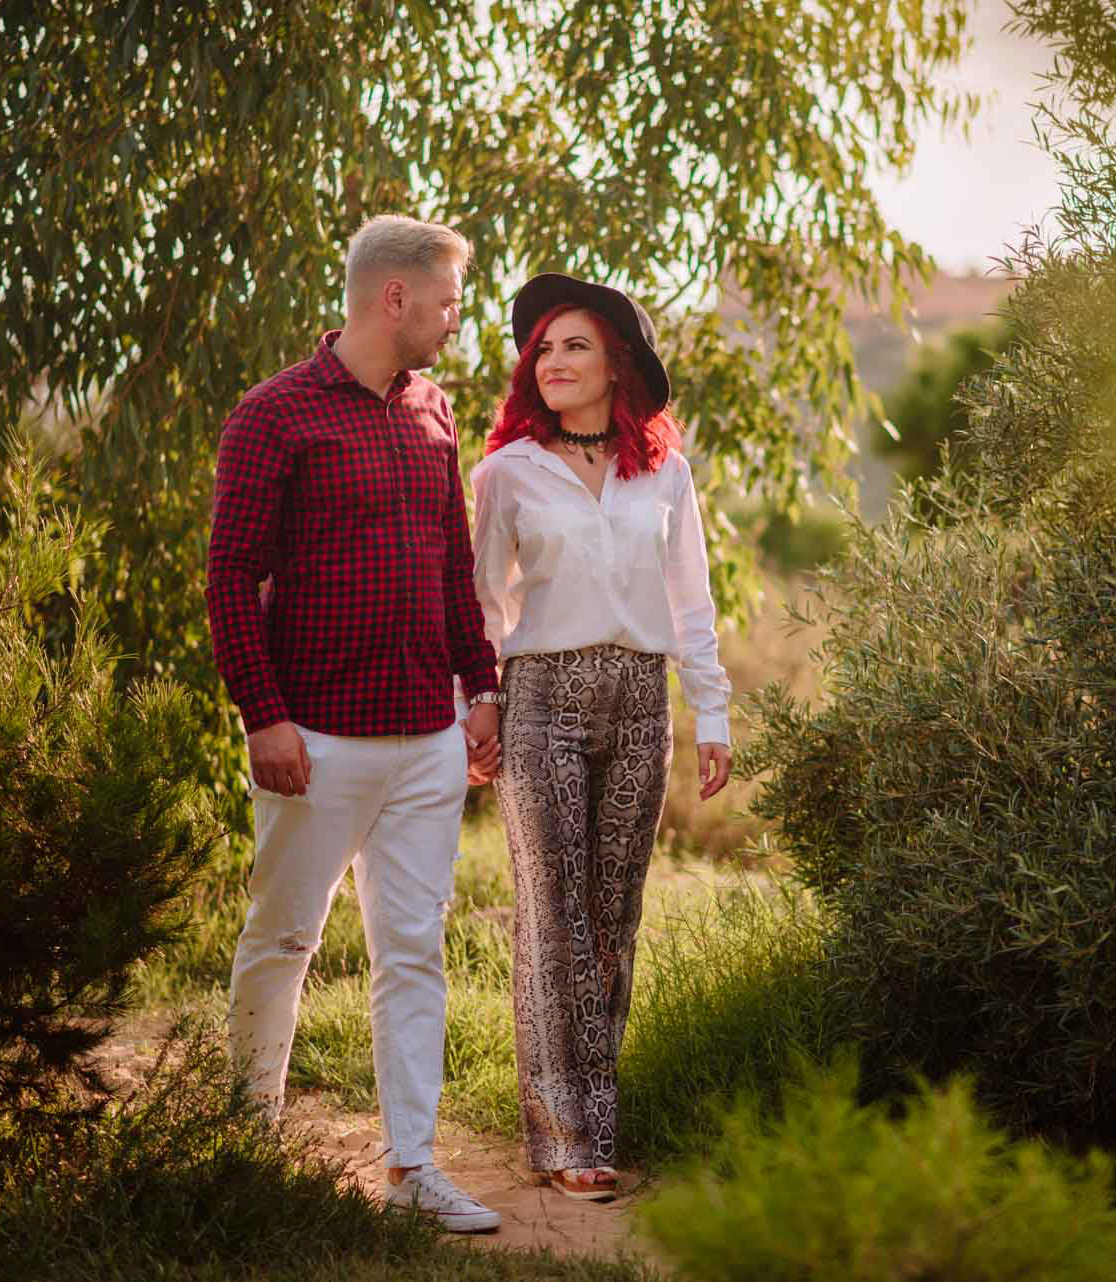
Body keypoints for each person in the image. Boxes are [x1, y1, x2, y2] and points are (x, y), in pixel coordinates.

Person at [206, 214, 506, 1233]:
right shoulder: (274, 414)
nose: (454, 321)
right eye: (449, 302)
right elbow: (230, 578)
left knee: (412, 949)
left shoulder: (436, 412)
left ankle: (412, 1167)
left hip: (426, 738)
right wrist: (265, 716)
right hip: (315, 742)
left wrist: (484, 688)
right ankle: (246, 1144)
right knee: (283, 937)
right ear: (396, 297)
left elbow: (454, 566)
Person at [469, 273, 732, 1202]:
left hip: (641, 697)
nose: (553, 363)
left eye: (573, 346)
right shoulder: (505, 471)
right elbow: (481, 601)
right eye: (542, 349)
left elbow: (690, 601)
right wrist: (480, 700)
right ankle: (564, 1136)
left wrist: (715, 712)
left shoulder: (664, 471)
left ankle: (598, 1116)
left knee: (613, 918)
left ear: (617, 362)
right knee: (555, 914)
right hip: (541, 694)